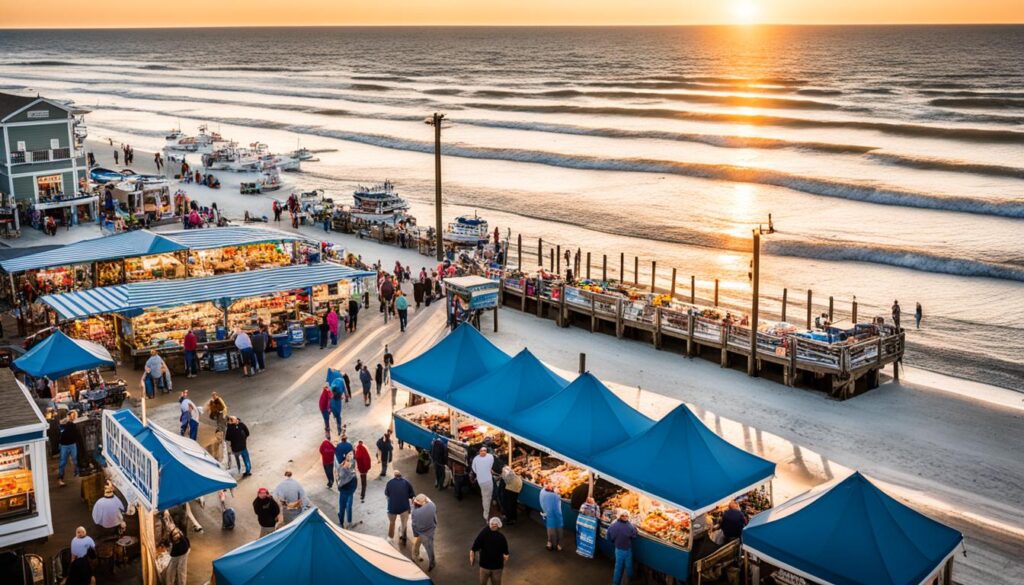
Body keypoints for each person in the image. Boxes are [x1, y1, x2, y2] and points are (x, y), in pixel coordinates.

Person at [471, 517, 510, 585]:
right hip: (497, 567)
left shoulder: (483, 533)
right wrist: (503, 559)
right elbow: (506, 556)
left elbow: (474, 548)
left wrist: (472, 557)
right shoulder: (502, 538)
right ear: (499, 526)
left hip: (484, 566)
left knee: (482, 583)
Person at [607, 509, 638, 585]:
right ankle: (630, 578)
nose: (625, 517)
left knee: (618, 567)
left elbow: (608, 537)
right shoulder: (630, 527)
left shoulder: (612, 526)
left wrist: (614, 542)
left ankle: (615, 583)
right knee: (629, 566)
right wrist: (635, 529)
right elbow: (634, 536)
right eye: (624, 516)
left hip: (618, 549)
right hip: (627, 549)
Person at [385, 469, 415, 543]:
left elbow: (387, 494)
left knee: (392, 523)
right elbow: (412, 495)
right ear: (401, 476)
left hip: (392, 507)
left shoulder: (389, 482)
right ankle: (403, 535)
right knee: (404, 522)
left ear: (394, 476)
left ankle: (390, 538)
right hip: (404, 507)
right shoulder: (407, 482)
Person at [411, 494, 437, 572]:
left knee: (416, 543)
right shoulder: (432, 506)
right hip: (430, 531)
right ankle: (431, 562)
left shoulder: (415, 513)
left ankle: (416, 555)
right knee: (430, 548)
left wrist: (415, 535)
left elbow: (414, 525)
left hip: (421, 532)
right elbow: (429, 500)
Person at [472, 446, 496, 522]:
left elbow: (474, 469)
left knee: (486, 496)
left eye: (484, 450)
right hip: (486, 480)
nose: (483, 452)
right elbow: (490, 466)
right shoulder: (490, 457)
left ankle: (487, 511)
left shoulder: (476, 458)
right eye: (482, 451)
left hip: (482, 480)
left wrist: (479, 473)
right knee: (486, 497)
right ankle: (486, 514)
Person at [57, 411, 81, 487]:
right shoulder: (64, 422)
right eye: (71, 415)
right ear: (68, 415)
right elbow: (60, 428)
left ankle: (77, 472)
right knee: (62, 462)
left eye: (74, 415)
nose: (73, 417)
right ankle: (60, 478)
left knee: (75, 460)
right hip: (64, 445)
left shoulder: (75, 423)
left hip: (72, 444)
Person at [539, 482, 564, 551]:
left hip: (552, 514)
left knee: (553, 530)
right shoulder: (552, 495)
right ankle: (555, 544)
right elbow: (557, 497)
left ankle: (551, 543)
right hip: (553, 514)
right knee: (555, 530)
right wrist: (556, 493)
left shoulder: (543, 492)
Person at [336, 455, 358, 527]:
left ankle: (343, 522)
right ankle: (346, 522)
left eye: (350, 462)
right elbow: (338, 478)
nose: (349, 463)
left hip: (346, 491)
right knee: (345, 507)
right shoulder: (350, 473)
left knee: (344, 507)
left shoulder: (341, 468)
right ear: (344, 461)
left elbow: (338, 479)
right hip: (346, 491)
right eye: (348, 461)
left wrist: (339, 486)